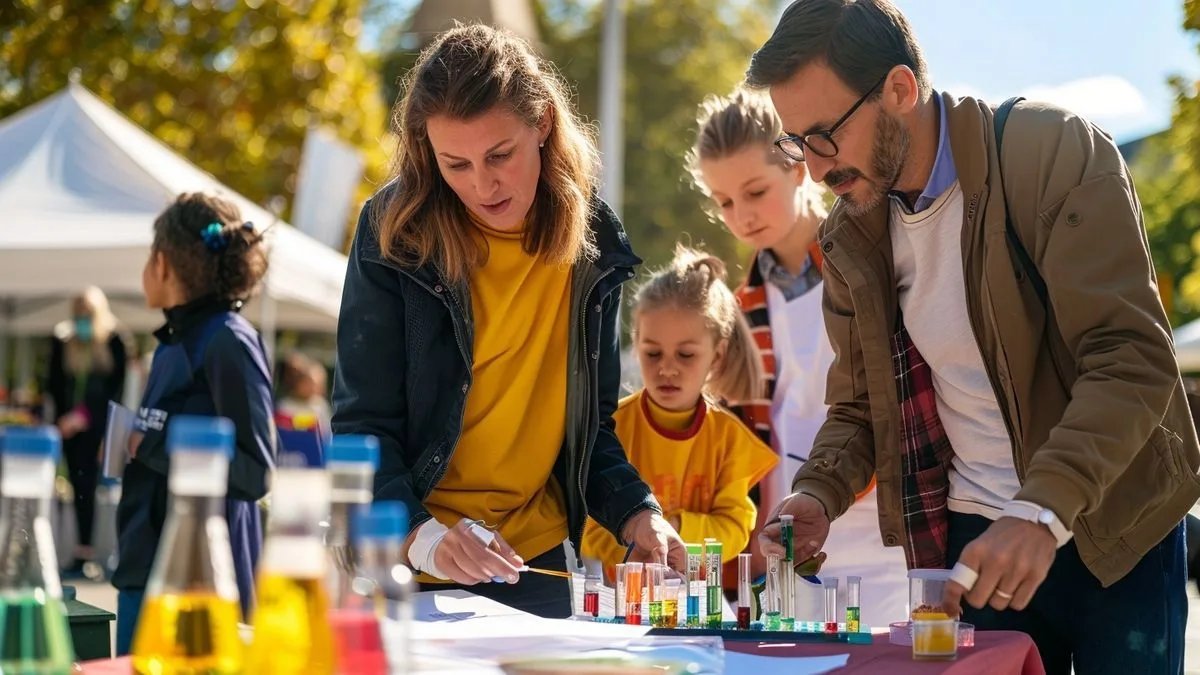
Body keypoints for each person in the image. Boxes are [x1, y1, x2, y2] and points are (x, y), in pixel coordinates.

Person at [748, 1, 1199, 672]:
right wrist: (817, 492)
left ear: (900, 89)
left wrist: (1040, 512)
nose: (814, 170)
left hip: (1116, 532)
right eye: (797, 144)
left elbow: (1130, 361)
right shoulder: (848, 236)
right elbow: (858, 409)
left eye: (825, 136)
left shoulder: (1054, 150)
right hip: (972, 552)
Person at [331, 23, 685, 619]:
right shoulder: (392, 231)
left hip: (536, 564)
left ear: (543, 122)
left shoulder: (594, 238)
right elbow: (360, 429)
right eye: (455, 163)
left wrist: (637, 512)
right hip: (408, 561)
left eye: (500, 155)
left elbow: (591, 428)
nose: (481, 184)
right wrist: (427, 540)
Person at [690, 89, 909, 626]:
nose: (741, 215)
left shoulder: (873, 260)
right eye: (723, 201)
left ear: (796, 165)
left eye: (754, 190)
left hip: (883, 530)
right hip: (790, 539)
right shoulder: (734, 308)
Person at [112, 193, 276, 655]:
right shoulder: (170, 345)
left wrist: (150, 446)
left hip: (201, 590)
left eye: (149, 255)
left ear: (162, 264)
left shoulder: (229, 340)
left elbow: (255, 472)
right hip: (143, 573)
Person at [580, 246, 777, 580]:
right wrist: (643, 540)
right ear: (636, 343)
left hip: (698, 603)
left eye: (686, 355)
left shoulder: (729, 438)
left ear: (717, 356)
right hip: (622, 604)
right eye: (653, 353)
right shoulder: (607, 431)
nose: (666, 369)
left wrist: (672, 527)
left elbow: (736, 527)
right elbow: (588, 529)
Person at [46, 286, 131, 578]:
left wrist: (88, 418)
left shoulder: (113, 341)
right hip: (68, 430)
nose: (82, 320)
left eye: (87, 315)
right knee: (72, 488)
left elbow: (114, 392)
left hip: (97, 429)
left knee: (91, 489)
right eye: (78, 315)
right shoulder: (64, 343)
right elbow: (54, 386)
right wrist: (62, 422)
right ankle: (77, 551)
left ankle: (90, 552)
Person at [277, 351, 332, 433]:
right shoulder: (285, 405)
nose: (310, 388)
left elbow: (326, 430)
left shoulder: (320, 406)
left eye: (314, 384)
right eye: (307, 383)